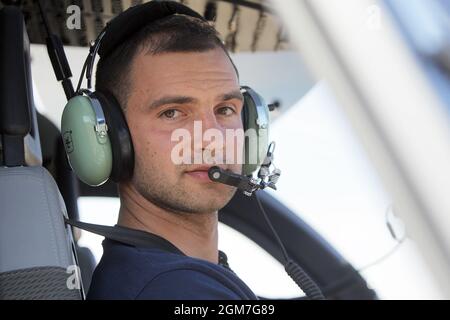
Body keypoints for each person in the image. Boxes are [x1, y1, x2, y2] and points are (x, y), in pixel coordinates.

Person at [86, 1, 257, 300]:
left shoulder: (163, 278)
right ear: (111, 137)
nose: (212, 138)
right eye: (173, 113)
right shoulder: (174, 289)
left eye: (225, 109)